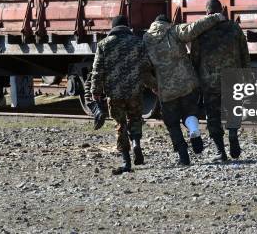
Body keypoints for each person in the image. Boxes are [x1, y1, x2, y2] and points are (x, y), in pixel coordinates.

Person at [143, 12, 225, 166]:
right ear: (168, 23)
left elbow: (144, 70)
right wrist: (215, 17)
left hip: (166, 90)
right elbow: (194, 27)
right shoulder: (174, 31)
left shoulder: (146, 40)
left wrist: (155, 86)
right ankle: (194, 130)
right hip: (188, 84)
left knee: (172, 123)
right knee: (190, 112)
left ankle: (183, 157)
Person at [90, 15, 155, 175]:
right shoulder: (138, 43)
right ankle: (136, 143)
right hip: (134, 91)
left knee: (120, 125)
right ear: (127, 27)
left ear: (113, 28)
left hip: (115, 93)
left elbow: (98, 70)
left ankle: (126, 161)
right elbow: (146, 68)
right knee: (135, 119)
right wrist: (154, 86)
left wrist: (95, 91)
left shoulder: (103, 45)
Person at [191, 0, 250, 162]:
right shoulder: (234, 28)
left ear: (206, 12)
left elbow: (195, 57)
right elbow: (244, 53)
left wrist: (196, 79)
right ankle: (232, 133)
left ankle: (220, 152)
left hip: (210, 81)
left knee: (213, 115)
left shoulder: (201, 31)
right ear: (222, 10)